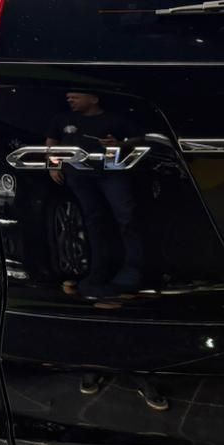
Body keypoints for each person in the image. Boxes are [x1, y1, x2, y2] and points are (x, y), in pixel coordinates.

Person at [45, 92, 143, 300]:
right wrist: (53, 165)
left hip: (112, 174)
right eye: (68, 97)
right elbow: (52, 142)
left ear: (94, 99)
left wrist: (119, 144)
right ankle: (97, 270)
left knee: (126, 217)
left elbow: (138, 138)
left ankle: (133, 269)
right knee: (92, 221)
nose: (70, 100)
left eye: (76, 97)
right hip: (78, 176)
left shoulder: (114, 119)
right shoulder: (62, 119)